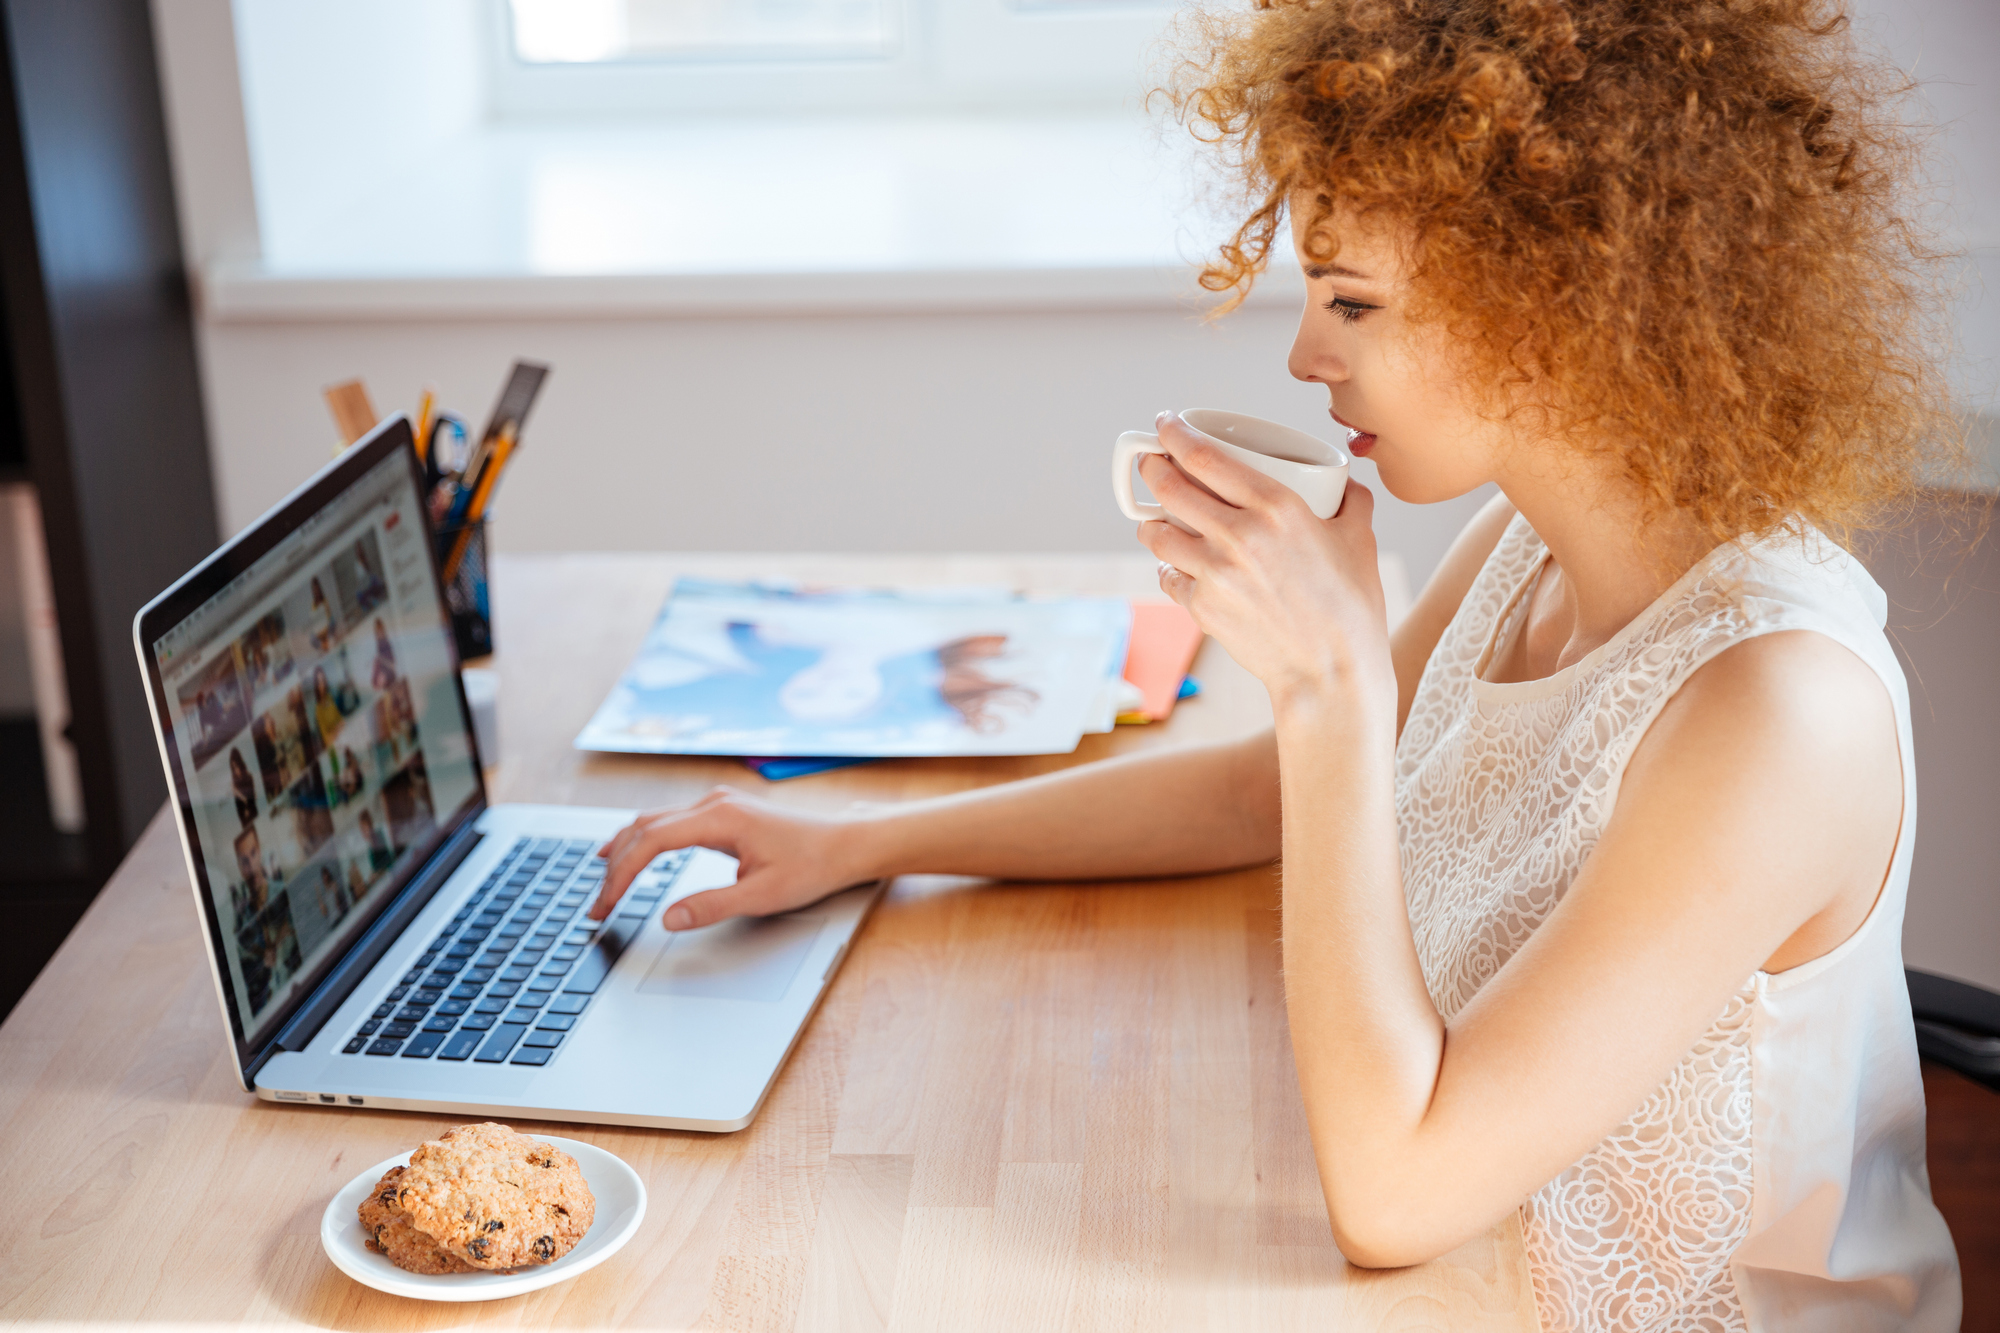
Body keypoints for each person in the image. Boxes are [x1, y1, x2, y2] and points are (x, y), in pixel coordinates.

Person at [586, 2, 1963, 1326]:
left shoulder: (1781, 711)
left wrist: (1330, 684)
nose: (1306, 354)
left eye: (1352, 303)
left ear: (1563, 298)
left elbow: (1397, 1193)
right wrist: (859, 842)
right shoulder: (1524, 546)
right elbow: (1257, 804)